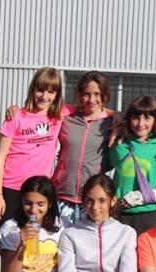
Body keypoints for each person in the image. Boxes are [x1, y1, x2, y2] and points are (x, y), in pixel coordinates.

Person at [0, 67, 65, 221]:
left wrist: (114, 114)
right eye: (40, 90)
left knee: (38, 233)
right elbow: (0, 158)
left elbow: (91, 110)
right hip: (12, 188)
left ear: (57, 94)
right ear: (33, 89)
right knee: (9, 233)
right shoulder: (16, 117)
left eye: (51, 92)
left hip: (40, 190)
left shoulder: (59, 115)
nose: (44, 96)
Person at [105, 96, 156, 234]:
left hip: (149, 215)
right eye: (135, 118)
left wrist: (141, 197)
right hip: (118, 213)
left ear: (155, 120)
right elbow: (101, 167)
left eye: (147, 118)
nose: (140, 123)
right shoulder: (118, 144)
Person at [52, 71, 116, 221]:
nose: (91, 99)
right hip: (62, 194)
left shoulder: (112, 124)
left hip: (92, 200)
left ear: (105, 95)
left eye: (97, 94)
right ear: (80, 95)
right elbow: (39, 112)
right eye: (86, 94)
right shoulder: (66, 119)